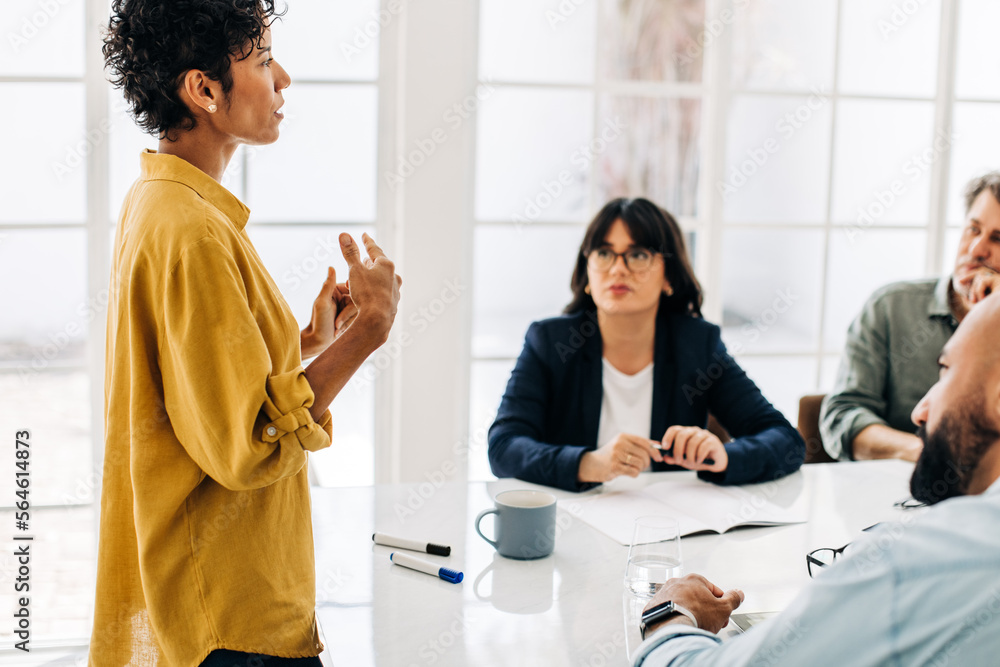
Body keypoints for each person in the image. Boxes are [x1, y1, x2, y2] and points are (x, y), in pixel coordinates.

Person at [92, 2, 401, 665]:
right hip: (232, 619)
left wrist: (305, 341)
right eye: (262, 61)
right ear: (203, 90)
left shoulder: (158, 201)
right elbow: (249, 444)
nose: (282, 76)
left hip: (204, 602)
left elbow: (194, 386)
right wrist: (368, 330)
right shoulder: (195, 231)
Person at [631, 292, 1000, 666]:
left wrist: (666, 616)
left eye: (947, 370)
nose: (920, 411)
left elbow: (785, 439)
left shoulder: (920, 564)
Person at [487, 198, 804, 492]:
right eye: (604, 253)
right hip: (572, 525)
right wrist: (589, 463)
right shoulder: (550, 343)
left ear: (669, 277)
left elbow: (786, 441)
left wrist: (723, 456)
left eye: (638, 254)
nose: (618, 268)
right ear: (587, 274)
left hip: (667, 529)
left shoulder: (697, 345)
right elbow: (504, 446)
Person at [821, 172, 1000, 461]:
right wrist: (924, 455)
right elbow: (842, 416)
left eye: (998, 238)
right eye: (973, 229)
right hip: (894, 489)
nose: (977, 249)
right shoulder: (890, 307)